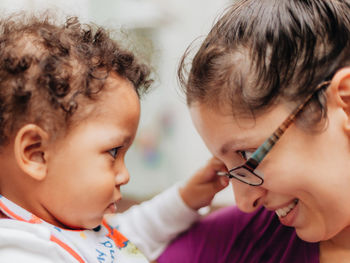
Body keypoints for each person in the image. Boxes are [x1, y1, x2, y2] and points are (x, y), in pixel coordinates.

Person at [0, 13, 229, 263]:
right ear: (36, 153)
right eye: (113, 152)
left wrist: (186, 198)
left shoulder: (79, 224)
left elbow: (130, 233)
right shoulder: (19, 251)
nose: (125, 175)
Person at [157, 0, 350, 262]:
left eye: (248, 155)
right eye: (226, 167)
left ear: (346, 103)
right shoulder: (236, 242)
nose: (244, 202)